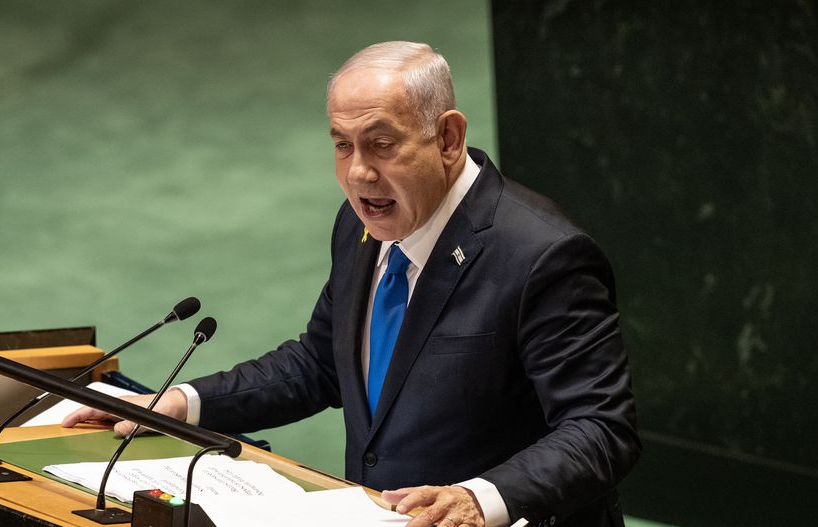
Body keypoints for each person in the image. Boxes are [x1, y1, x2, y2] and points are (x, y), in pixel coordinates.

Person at [64, 41, 640, 527]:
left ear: (447, 138)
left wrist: (478, 498)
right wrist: (178, 405)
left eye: (381, 144)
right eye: (342, 144)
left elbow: (599, 429)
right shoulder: (362, 223)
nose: (359, 172)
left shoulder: (542, 256)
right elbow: (321, 364)